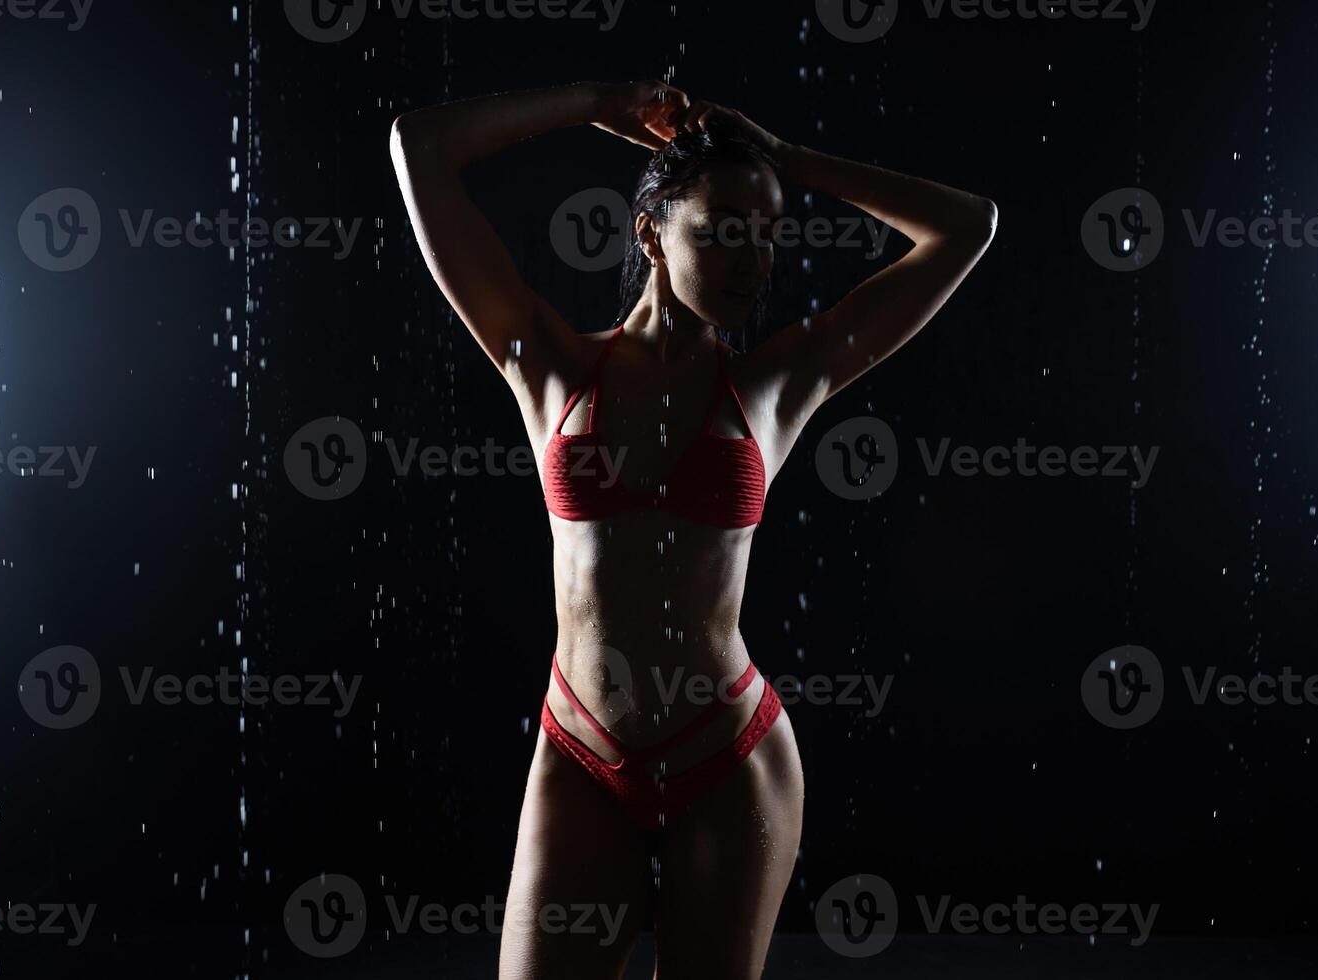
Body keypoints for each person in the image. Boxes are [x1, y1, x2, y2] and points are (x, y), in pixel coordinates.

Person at [390, 79, 996, 979]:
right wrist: (592, 100)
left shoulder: (777, 386)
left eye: (766, 235)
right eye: (721, 230)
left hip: (729, 755)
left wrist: (789, 159)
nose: (750, 259)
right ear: (650, 232)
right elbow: (420, 148)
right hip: (583, 748)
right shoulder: (548, 363)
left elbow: (966, 226)